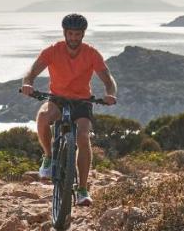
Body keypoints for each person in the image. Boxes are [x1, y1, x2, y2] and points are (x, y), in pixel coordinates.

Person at [19, 13, 117, 206]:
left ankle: (82, 189)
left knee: (82, 136)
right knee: (43, 117)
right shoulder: (53, 50)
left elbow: (108, 78)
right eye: (70, 34)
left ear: (83, 34)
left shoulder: (91, 53)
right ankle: (48, 157)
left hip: (82, 101)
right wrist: (27, 83)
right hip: (58, 99)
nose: (74, 38)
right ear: (65, 33)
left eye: (77, 34)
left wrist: (111, 93)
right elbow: (32, 71)